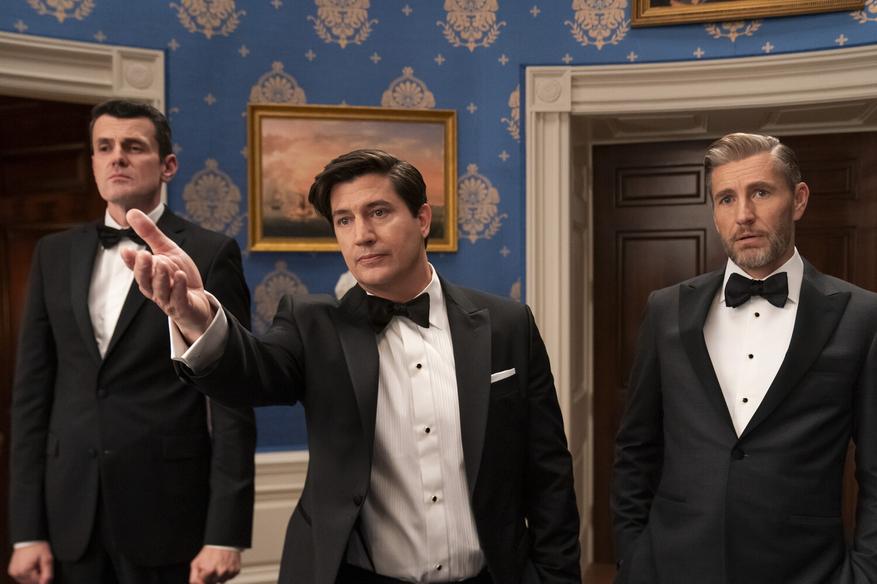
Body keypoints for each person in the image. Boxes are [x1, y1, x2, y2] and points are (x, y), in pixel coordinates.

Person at [122, 149, 581, 584]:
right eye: (344, 220)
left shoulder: (506, 324)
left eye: (379, 212)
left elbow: (549, 475)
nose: (362, 234)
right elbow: (250, 374)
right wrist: (195, 317)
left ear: (423, 219)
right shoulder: (312, 325)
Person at [8, 99, 256, 584]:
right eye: (104, 147)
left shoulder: (209, 253)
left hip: (168, 510)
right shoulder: (52, 253)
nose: (117, 156)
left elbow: (233, 398)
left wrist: (225, 534)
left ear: (168, 165)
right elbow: (31, 396)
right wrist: (26, 532)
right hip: (69, 512)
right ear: (94, 162)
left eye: (133, 146)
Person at [611, 132, 877, 584]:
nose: (743, 215)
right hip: (672, 568)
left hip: (808, 571)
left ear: (798, 200)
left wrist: (865, 573)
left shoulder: (862, 316)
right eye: (726, 199)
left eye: (761, 193)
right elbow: (636, 450)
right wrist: (634, 559)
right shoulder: (666, 310)